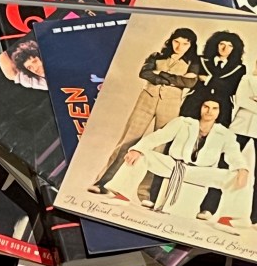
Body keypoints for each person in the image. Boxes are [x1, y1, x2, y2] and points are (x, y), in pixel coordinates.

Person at [89, 28, 200, 197]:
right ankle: (101, 182)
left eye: (185, 44)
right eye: (177, 42)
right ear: (171, 41)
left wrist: (160, 74)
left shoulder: (193, 63)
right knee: (127, 141)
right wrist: (172, 79)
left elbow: (189, 82)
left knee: (159, 147)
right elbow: (145, 73)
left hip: (171, 104)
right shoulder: (156, 56)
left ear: (191, 45)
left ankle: (145, 193)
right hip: (146, 99)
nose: (179, 46)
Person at [104, 100, 252, 226]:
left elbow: (234, 155)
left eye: (215, 108)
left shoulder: (225, 134)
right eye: (206, 106)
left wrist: (242, 168)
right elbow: (158, 136)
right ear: (199, 107)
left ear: (220, 111)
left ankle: (228, 218)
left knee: (240, 176)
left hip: (200, 172)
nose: (209, 111)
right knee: (141, 154)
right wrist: (137, 149)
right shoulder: (183, 122)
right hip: (174, 165)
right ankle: (122, 195)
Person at [230, 59, 257, 225]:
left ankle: (256, 218)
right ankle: (209, 208)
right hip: (240, 126)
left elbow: (248, 102)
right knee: (225, 165)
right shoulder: (247, 79)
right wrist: (250, 101)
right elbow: (241, 100)